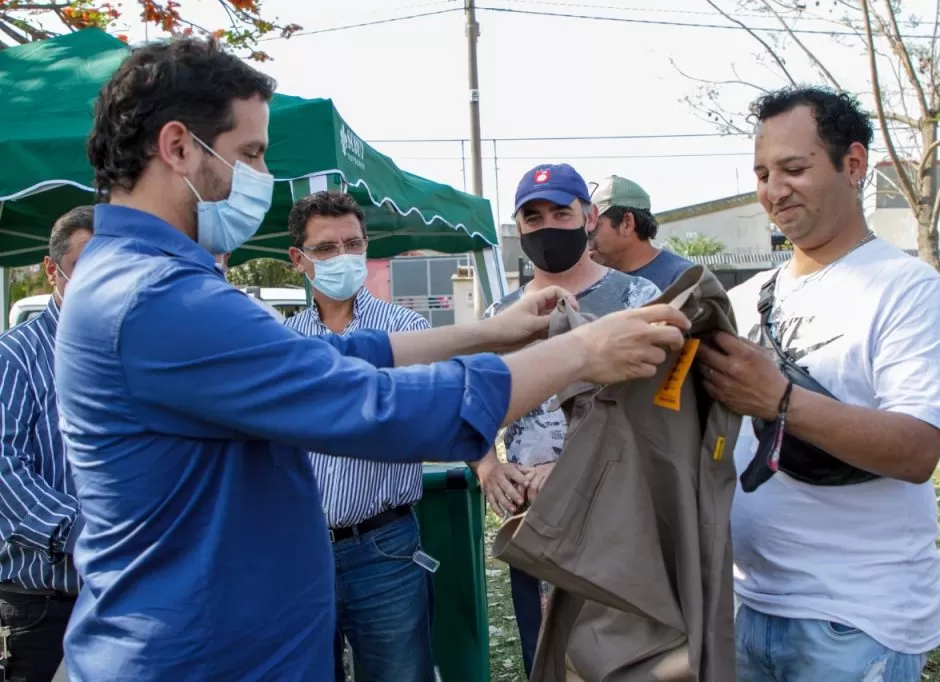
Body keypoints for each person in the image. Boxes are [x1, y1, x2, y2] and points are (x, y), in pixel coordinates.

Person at [55, 37, 690, 682]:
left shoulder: (140, 282)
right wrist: (581, 350)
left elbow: (328, 354)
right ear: (179, 146)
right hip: (200, 656)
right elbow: (376, 405)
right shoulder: (161, 300)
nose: (259, 176)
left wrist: (486, 336)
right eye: (249, 153)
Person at [697, 86, 940, 681]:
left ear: (853, 164)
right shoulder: (743, 301)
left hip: (855, 621)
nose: (773, 189)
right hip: (747, 606)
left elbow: (919, 449)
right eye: (763, 173)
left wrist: (779, 400)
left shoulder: (909, 290)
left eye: (794, 168)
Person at [470, 163, 660, 677]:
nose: (547, 226)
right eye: (533, 218)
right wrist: (488, 468)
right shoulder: (502, 312)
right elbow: (476, 401)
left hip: (613, 514)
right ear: (519, 228)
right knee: (544, 653)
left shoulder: (636, 301)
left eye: (561, 212)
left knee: (616, 655)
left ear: (588, 216)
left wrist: (574, 467)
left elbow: (654, 413)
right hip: (530, 517)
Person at [283, 190, 436, 682]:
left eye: (352, 244)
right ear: (298, 260)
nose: (343, 257)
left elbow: (430, 417)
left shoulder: (406, 329)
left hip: (384, 548)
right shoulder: (283, 344)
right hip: (298, 551)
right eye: (326, 249)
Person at [0, 206, 93, 682]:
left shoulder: (126, 351)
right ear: (52, 270)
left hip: (121, 597)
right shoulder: (15, 357)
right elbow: (3, 469)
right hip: (43, 606)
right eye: (86, 266)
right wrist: (79, 533)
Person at [586, 174, 692, 290]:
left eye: (593, 227)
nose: (585, 237)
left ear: (626, 223)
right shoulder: (592, 281)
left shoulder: (683, 279)